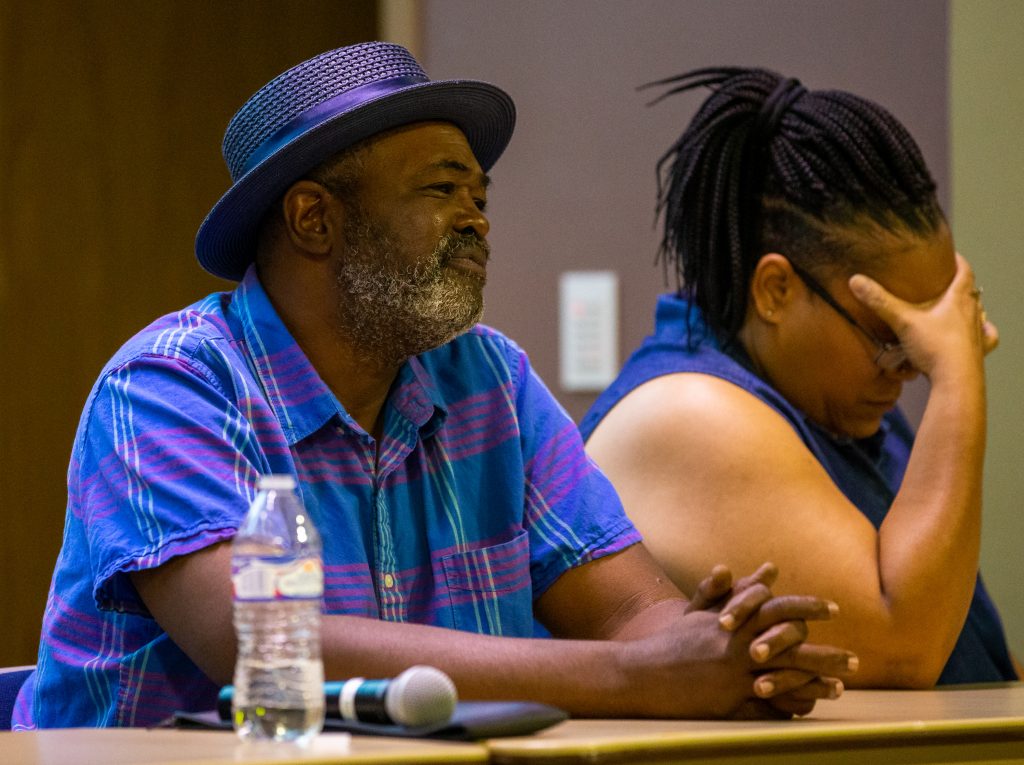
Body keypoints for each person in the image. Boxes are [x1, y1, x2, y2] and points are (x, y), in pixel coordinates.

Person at [13, 45, 855, 731]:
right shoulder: (170, 386)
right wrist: (640, 675)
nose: (477, 219)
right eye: (442, 189)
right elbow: (268, 649)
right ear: (314, 219)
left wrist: (729, 650)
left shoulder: (491, 380)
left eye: (480, 196)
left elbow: (628, 615)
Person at [582, 67, 1019, 688]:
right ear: (776, 290)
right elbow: (905, 649)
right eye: (892, 337)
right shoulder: (685, 414)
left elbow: (968, 659)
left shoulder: (842, 405)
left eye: (928, 338)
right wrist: (958, 374)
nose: (914, 367)